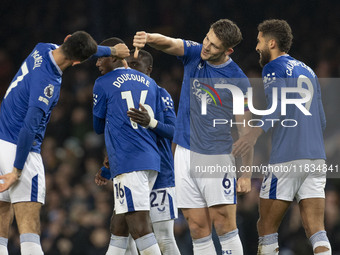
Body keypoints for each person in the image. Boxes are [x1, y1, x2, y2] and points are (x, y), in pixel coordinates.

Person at [0, 31, 129, 255]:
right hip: (20, 150)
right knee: (29, 229)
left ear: (67, 39)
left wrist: (112, 50)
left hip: (1, 141)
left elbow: (83, 47)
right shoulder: (47, 84)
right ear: (77, 62)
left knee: (2, 216)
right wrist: (17, 170)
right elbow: (29, 128)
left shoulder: (42, 47)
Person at [133, 19, 253, 255]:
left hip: (215, 156)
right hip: (184, 154)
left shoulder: (238, 80)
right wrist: (148, 37)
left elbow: (246, 131)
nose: (207, 46)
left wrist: (247, 174)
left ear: (228, 50)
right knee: (197, 227)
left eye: (214, 45)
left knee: (224, 224)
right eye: (207, 38)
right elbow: (170, 43)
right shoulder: (196, 53)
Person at [232, 19, 331, 255]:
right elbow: (322, 120)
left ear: (272, 43)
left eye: (259, 41)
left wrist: (254, 133)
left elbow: (276, 106)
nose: (257, 47)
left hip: (287, 159)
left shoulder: (273, 67)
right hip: (316, 159)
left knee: (266, 227)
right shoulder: (308, 70)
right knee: (317, 230)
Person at [97, 48, 181, 255]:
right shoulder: (120, 94)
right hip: (132, 169)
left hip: (160, 173)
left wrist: (151, 123)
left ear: (149, 69)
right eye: (128, 64)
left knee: (163, 237)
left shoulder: (159, 93)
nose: (130, 69)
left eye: (135, 65)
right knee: (123, 230)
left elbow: (175, 131)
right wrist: (107, 168)